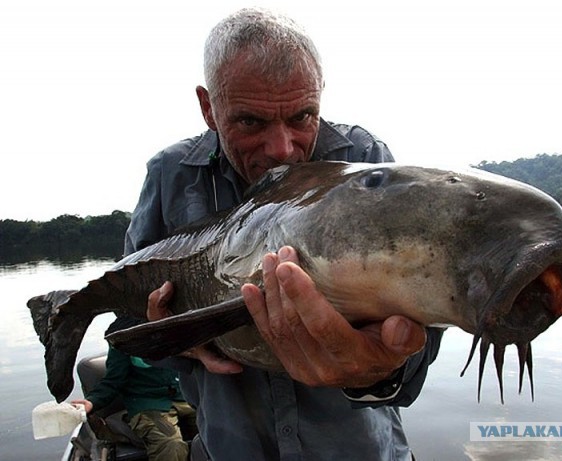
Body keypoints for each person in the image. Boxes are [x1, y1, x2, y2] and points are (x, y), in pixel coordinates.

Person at [125, 7, 444, 461]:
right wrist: (183, 345)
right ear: (208, 107)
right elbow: (131, 319)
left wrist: (381, 366)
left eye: (302, 116)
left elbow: (420, 341)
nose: (282, 149)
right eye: (251, 122)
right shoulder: (170, 176)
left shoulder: (365, 161)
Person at [72, 316, 198, 461]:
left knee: (220, 432)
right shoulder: (122, 334)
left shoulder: (181, 323)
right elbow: (113, 380)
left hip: (186, 398)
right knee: (170, 445)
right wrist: (92, 402)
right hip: (149, 404)